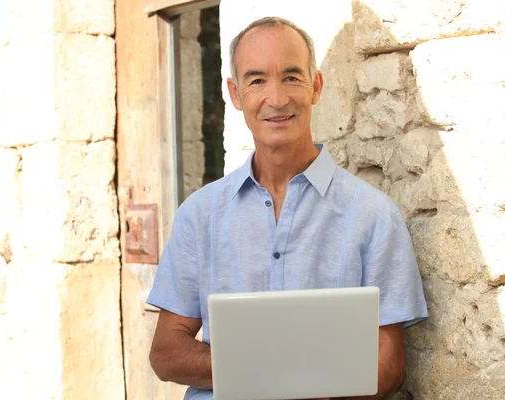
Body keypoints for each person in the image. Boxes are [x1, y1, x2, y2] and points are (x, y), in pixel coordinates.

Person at [147, 16, 428, 400]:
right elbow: (165, 353)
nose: (276, 99)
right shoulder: (199, 214)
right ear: (235, 93)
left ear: (316, 86)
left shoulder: (375, 217)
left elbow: (390, 364)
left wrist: (264, 370)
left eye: (292, 77)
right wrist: (284, 370)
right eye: (257, 80)